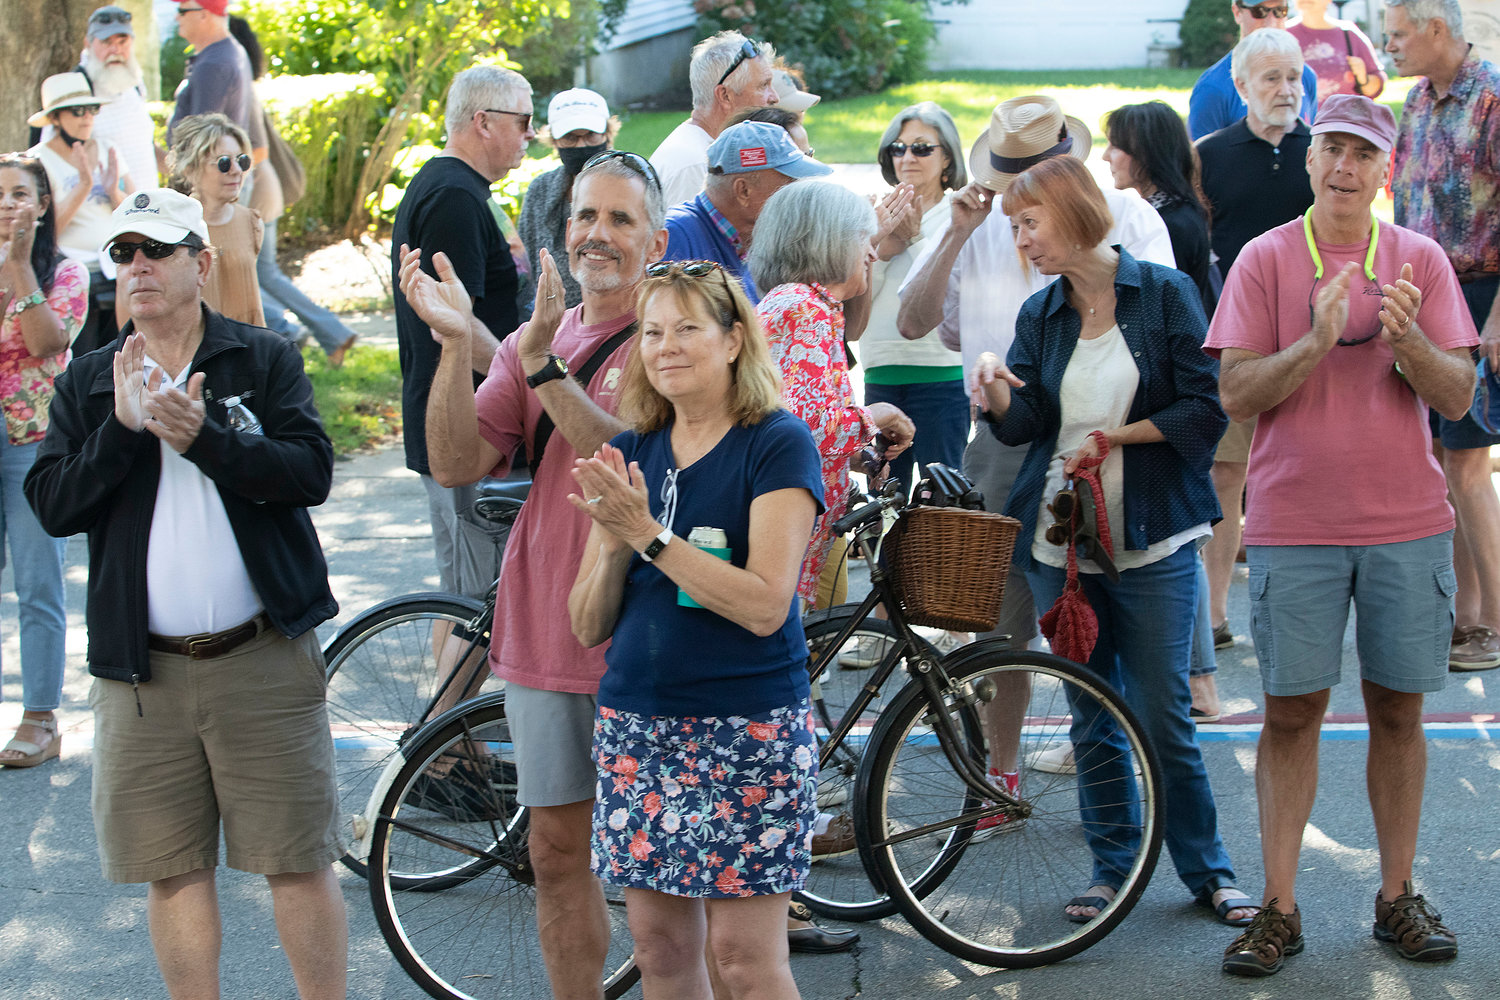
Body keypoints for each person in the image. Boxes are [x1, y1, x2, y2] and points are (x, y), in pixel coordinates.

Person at [24, 187, 347, 997]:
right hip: (143, 679)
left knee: (298, 864)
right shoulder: (93, 379)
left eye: (156, 251)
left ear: (200, 264)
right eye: (124, 253)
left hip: (263, 658)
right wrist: (121, 432)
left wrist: (205, 438)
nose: (136, 267)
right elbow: (54, 504)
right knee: (172, 873)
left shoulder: (260, 359)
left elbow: (308, 473)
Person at [1205, 94, 1473, 975]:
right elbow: (1237, 396)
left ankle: (1397, 895)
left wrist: (1409, 346)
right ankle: (1277, 908)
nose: (1345, 167)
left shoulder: (1419, 260)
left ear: (1385, 168)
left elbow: (1460, 397)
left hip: (1407, 524)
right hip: (1294, 527)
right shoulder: (1267, 258)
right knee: (1290, 715)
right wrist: (1315, 342)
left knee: (1400, 711)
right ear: (1311, 160)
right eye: (1332, 150)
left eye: (1363, 153)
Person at [402, 150, 666, 998]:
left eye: (622, 219)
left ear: (656, 240)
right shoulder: (525, 342)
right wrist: (453, 346)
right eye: (587, 216)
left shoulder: (678, 331)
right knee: (556, 856)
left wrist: (546, 362)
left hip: (653, 639)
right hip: (546, 632)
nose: (600, 234)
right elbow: (454, 461)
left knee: (661, 873)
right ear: (562, 231)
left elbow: (623, 455)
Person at [973, 153, 1252, 928]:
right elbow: (1030, 426)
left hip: (1154, 539)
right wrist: (997, 393)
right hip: (1061, 547)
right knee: (1093, 713)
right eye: (1017, 227)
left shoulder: (1164, 294)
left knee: (1162, 715)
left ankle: (1208, 871)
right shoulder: (1042, 313)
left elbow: (1206, 410)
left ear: (1069, 211)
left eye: (1030, 222)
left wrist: (1117, 437)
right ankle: (1112, 870)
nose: (1023, 239)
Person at [895, 94, 1174, 779]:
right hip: (1003, 439)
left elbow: (1167, 324)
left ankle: (1110, 767)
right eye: (1010, 173)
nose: (1020, 194)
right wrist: (957, 231)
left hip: (1100, 439)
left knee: (1104, 613)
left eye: (1037, 171)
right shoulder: (979, 221)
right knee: (997, 623)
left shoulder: (1127, 214)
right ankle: (1004, 771)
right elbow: (914, 321)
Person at [567, 261, 824, 1000]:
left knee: (745, 961)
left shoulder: (777, 443)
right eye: (651, 332)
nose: (665, 346)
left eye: (687, 328)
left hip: (746, 730)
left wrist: (646, 534)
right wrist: (614, 545)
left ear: (734, 339)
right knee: (659, 950)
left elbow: (765, 605)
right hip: (639, 731)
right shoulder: (634, 450)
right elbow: (587, 625)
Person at [1388, 0, 1500, 672]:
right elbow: (1403, 203)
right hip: (1427, 292)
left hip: (1481, 294)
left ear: (1436, 31)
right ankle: (1466, 615)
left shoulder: (1491, 98)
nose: (1388, 45)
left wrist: (1497, 318)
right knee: (1442, 460)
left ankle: (1495, 621)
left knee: (1465, 462)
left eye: (1398, 33)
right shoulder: (1416, 103)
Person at [1101, 100, 1223, 719]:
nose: (1106, 157)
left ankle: (1198, 680)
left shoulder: (1163, 222)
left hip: (1171, 397)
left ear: (1142, 151)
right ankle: (1196, 680)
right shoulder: (1178, 211)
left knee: (1177, 537)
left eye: (1115, 145)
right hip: (1173, 390)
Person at [1195, 27, 1316, 653]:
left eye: (1294, 77)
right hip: (1238, 344)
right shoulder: (1209, 156)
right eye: (1272, 77)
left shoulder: (1324, 155)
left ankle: (1310, 615)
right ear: (1240, 85)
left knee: (1314, 475)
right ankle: (1214, 615)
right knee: (1226, 474)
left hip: (1318, 342)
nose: (1286, 89)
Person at [392, 65, 531, 607]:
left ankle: (449, 697)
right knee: (478, 608)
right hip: (463, 420)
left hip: (463, 416)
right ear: (483, 121)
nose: (529, 134)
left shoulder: (462, 188)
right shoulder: (453, 196)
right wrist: (523, 379)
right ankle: (455, 697)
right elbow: (452, 319)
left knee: (463, 605)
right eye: (523, 121)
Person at [751, 181, 915, 610]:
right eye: (865, 238)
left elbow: (794, 428)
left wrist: (858, 458)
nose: (874, 252)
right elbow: (805, 431)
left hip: (794, 541)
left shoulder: (809, 306)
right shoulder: (801, 308)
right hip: (782, 546)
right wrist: (880, 414)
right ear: (830, 240)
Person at [0, 154, 84, 769]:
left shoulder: (66, 273)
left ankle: (40, 716)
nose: (8, 204)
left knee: (37, 584)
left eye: (20, 194)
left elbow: (45, 341)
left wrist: (18, 265)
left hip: (31, 445)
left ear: (44, 204)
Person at [228, 14, 360, 366]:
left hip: (255, 190)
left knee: (258, 272)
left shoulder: (236, 86)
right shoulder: (245, 86)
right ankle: (323, 332)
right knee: (262, 272)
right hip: (264, 187)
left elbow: (253, 149)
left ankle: (291, 329)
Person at [859, 102, 969, 492]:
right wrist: (885, 244)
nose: (908, 157)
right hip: (881, 371)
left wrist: (914, 237)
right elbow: (856, 298)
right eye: (898, 148)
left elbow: (947, 289)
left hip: (941, 373)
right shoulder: (871, 211)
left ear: (947, 158)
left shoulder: (960, 214)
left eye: (922, 148)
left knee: (943, 498)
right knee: (882, 500)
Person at [662, 121, 832, 304]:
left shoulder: (753, 239)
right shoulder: (674, 236)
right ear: (743, 191)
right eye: (788, 183)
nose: (797, 194)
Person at [27, 72, 132, 356]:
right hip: (70, 271)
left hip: (115, 265)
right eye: (77, 111)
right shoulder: (38, 161)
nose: (86, 117)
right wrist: (83, 185)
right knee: (83, 358)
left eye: (91, 109)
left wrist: (113, 193)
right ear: (56, 118)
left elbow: (135, 212)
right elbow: (45, 233)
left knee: (120, 352)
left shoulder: (108, 148)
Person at [1102, 102, 1215, 313]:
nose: (1105, 156)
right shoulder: (1170, 211)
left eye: (1114, 146)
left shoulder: (1172, 224)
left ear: (1146, 153)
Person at [517, 88, 619, 311]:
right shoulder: (541, 191)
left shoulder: (630, 184)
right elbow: (527, 265)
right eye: (571, 138)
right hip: (551, 324)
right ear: (554, 140)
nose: (582, 146)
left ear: (607, 134)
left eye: (591, 135)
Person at [650, 31, 780, 206]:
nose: (774, 97)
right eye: (763, 85)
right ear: (725, 96)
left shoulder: (707, 151)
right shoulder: (695, 166)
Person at [169, 113, 264, 326]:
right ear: (190, 168)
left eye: (242, 160)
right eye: (223, 163)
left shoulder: (251, 223)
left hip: (247, 351)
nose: (237, 170)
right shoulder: (173, 230)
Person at [1188, 1, 1319, 139]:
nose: (1271, 21)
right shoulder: (1213, 87)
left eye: (1280, 11)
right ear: (1237, 12)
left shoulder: (1306, 76)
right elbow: (1202, 155)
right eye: (1259, 11)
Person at [167, 0, 262, 152]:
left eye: (182, 11)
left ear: (203, 15)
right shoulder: (232, 51)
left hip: (212, 174)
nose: (176, 17)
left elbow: (200, 146)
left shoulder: (214, 64)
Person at [1288, 0, 1386, 105]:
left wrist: (1363, 79)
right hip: (1300, 120)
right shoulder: (1284, 34)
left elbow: (1376, 88)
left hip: (1345, 118)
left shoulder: (1348, 33)